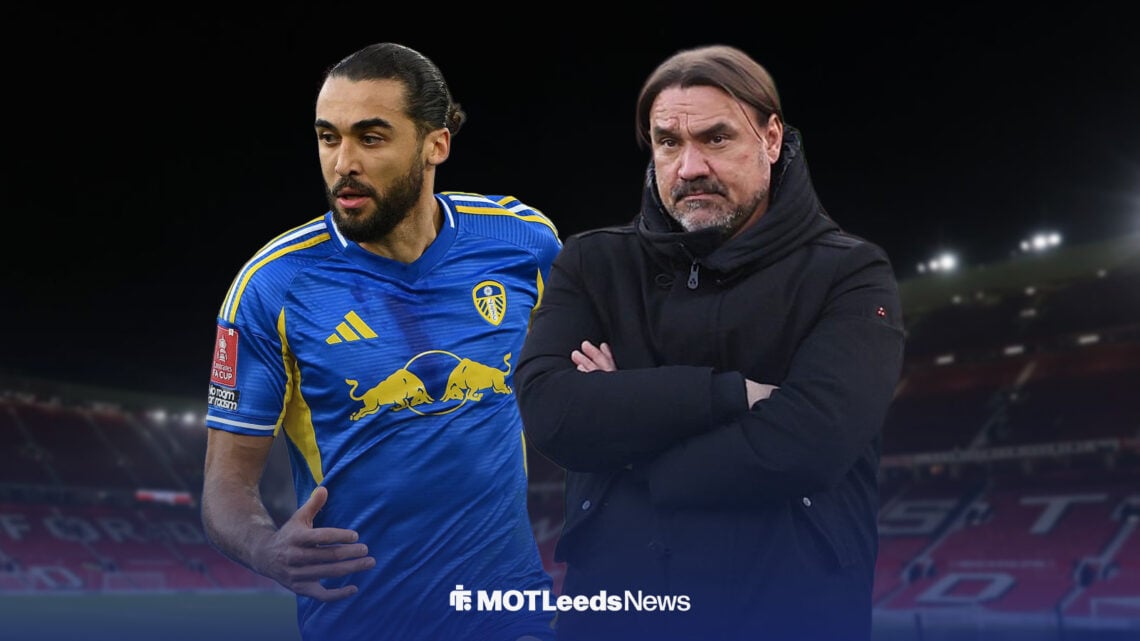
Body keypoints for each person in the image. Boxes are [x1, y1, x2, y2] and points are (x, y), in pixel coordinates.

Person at [515, 44, 905, 641]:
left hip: (791, 613)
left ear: (771, 139)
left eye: (716, 139)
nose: (689, 167)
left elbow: (812, 442)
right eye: (668, 143)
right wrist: (732, 395)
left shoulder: (851, 272)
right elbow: (552, 414)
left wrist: (630, 432)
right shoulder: (594, 262)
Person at [201, 42, 560, 641]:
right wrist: (269, 550)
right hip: (363, 623)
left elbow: (576, 362)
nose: (343, 162)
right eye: (327, 137)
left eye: (370, 137)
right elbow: (224, 489)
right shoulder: (271, 288)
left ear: (435, 144)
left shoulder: (524, 242)